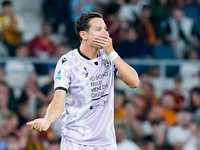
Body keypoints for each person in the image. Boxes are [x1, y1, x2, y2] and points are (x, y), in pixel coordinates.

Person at [26, 12, 140, 150]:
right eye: (98, 29)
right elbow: (58, 101)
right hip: (76, 142)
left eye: (105, 29)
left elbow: (134, 82)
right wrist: (48, 119)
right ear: (83, 35)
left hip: (106, 143)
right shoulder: (68, 63)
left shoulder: (108, 56)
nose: (105, 33)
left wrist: (111, 53)